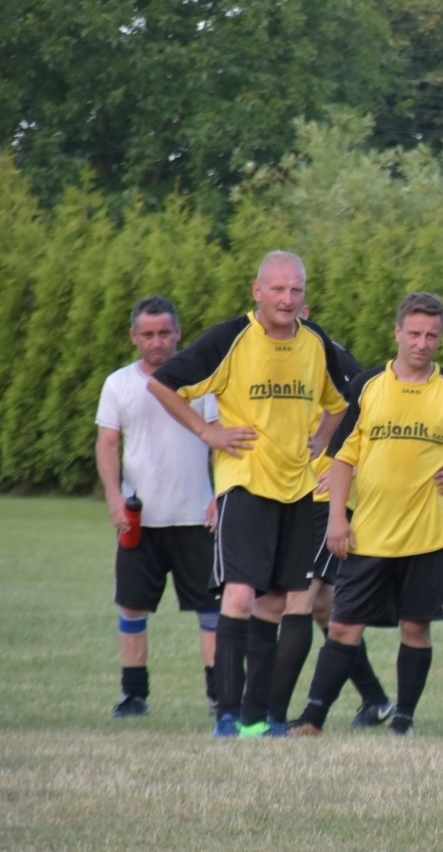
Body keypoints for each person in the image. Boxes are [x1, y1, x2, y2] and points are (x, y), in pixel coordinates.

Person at [290, 292, 443, 736]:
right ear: (397, 333)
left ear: (440, 337)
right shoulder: (368, 386)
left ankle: (404, 720)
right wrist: (338, 518)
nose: (422, 343)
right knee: (343, 624)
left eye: (431, 335)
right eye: (413, 333)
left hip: (430, 535)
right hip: (367, 533)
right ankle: (313, 719)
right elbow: (342, 457)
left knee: (415, 626)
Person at [148, 251, 349, 737]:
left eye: (296, 289)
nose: (287, 298)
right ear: (256, 291)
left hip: (298, 489)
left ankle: (258, 720)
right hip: (246, 485)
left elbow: (347, 398)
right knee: (238, 595)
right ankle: (227, 715)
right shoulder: (230, 338)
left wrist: (324, 438)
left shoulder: (316, 342)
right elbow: (163, 384)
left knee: (275, 604)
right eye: (277, 289)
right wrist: (207, 432)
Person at [94, 296, 219, 717]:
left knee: (211, 608)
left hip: (196, 515)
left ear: (178, 333)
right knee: (132, 606)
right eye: (147, 334)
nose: (157, 342)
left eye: (165, 333)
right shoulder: (118, 384)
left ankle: (219, 698)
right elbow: (108, 443)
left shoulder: (202, 381)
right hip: (139, 518)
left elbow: (219, 442)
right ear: (133, 337)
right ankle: (134, 696)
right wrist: (114, 497)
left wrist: (220, 497)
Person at [269, 334, 392, 732]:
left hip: (326, 503)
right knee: (324, 607)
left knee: (298, 601)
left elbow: (375, 410)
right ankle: (375, 700)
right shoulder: (263, 353)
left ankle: (270, 716)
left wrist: (349, 470)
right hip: (291, 497)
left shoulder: (329, 354)